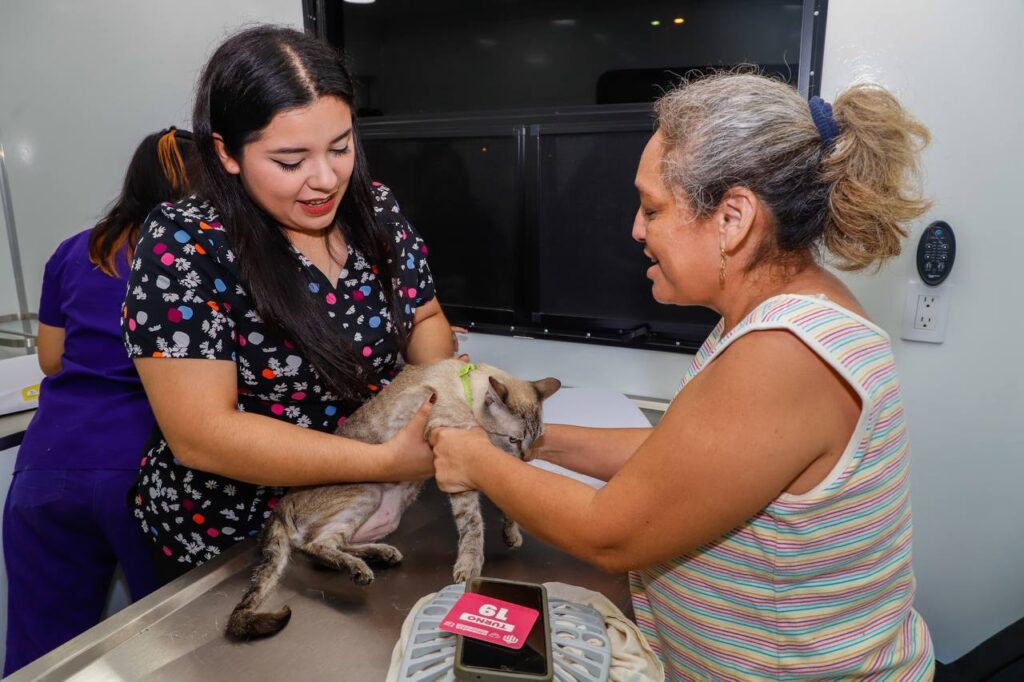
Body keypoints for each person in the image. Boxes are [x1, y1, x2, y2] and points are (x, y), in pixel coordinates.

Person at [431, 73, 936, 680]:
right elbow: (688, 460)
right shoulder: (776, 310)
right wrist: (531, 439)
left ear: (733, 218)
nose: (636, 230)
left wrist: (476, 460)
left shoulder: (784, 353)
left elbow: (608, 535)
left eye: (652, 208)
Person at [121, 26, 455, 581]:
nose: (325, 179)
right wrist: (383, 463)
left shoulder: (375, 210)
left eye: (341, 147)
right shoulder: (186, 242)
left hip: (359, 516)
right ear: (228, 152)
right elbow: (203, 433)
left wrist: (438, 397)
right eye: (290, 160)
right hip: (230, 544)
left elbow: (426, 317)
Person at [3, 128, 196, 676]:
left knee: (44, 659)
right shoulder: (195, 258)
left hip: (48, 467)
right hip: (146, 471)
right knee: (176, 644)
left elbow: (51, 358)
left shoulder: (76, 249)